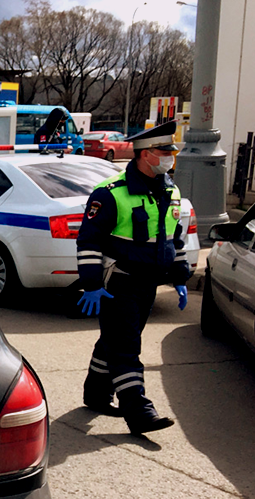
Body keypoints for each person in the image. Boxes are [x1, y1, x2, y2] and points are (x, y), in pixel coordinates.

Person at [76, 120, 190, 435]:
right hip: (119, 284)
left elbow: (173, 239)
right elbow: (89, 240)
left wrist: (180, 276)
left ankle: (96, 394)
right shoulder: (112, 193)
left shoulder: (170, 190)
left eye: (171, 150)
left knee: (113, 340)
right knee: (127, 346)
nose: (170, 156)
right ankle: (138, 411)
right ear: (143, 154)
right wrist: (93, 284)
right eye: (163, 150)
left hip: (148, 284)